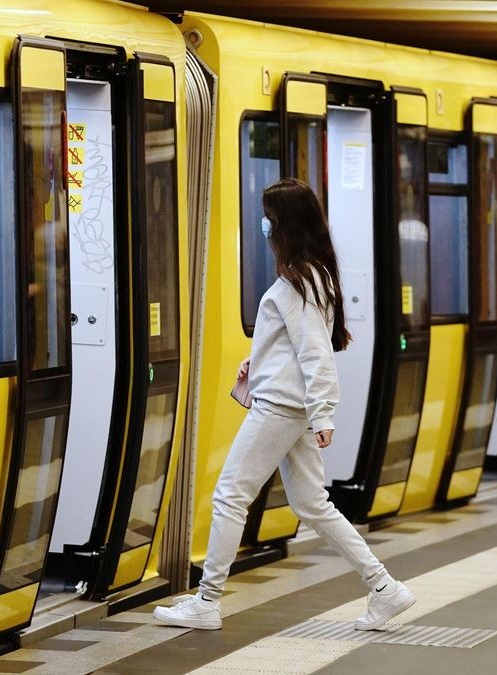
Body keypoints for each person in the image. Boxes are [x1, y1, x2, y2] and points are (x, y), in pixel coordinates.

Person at [154, 178, 415, 632]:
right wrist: (257, 360)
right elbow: (296, 346)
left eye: (269, 217)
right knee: (313, 505)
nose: (264, 224)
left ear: (285, 224)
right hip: (291, 405)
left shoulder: (297, 281)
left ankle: (207, 600)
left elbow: (315, 352)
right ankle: (384, 588)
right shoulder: (313, 273)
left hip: (280, 408)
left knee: (230, 496)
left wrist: (324, 412)